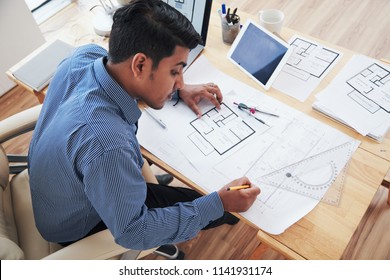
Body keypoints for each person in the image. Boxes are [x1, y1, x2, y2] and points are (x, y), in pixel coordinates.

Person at [28, 0, 260, 250]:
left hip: (55, 189)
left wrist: (175, 91)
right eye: (175, 72)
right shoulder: (107, 144)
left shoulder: (83, 57)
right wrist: (221, 204)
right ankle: (229, 212)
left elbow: (124, 78)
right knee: (206, 201)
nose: (181, 82)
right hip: (74, 224)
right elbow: (133, 232)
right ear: (140, 64)